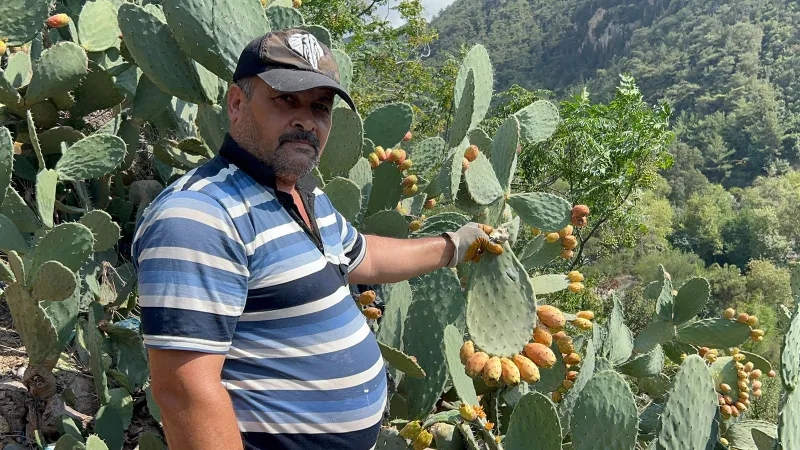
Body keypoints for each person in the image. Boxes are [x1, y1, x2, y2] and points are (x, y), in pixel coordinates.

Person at [132, 29, 498, 450]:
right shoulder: (200, 216)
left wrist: (453, 245)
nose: (307, 120)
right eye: (286, 100)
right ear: (236, 103)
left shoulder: (302, 194)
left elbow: (365, 257)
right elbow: (184, 392)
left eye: (320, 107)